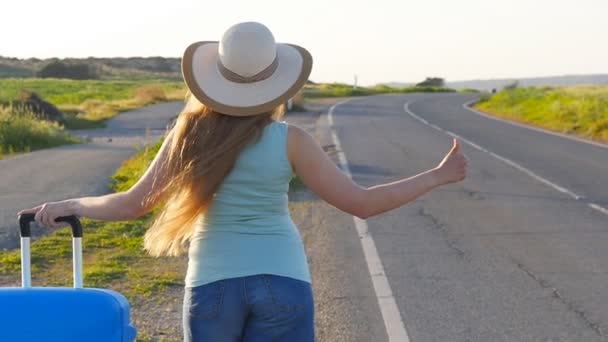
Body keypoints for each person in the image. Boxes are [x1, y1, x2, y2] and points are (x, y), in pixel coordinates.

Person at [17, 21, 468, 341]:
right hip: (283, 280)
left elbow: (132, 205)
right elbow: (361, 203)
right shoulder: (291, 140)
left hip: (212, 282)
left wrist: (71, 204)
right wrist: (437, 175)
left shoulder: (187, 134)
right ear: (275, 83)